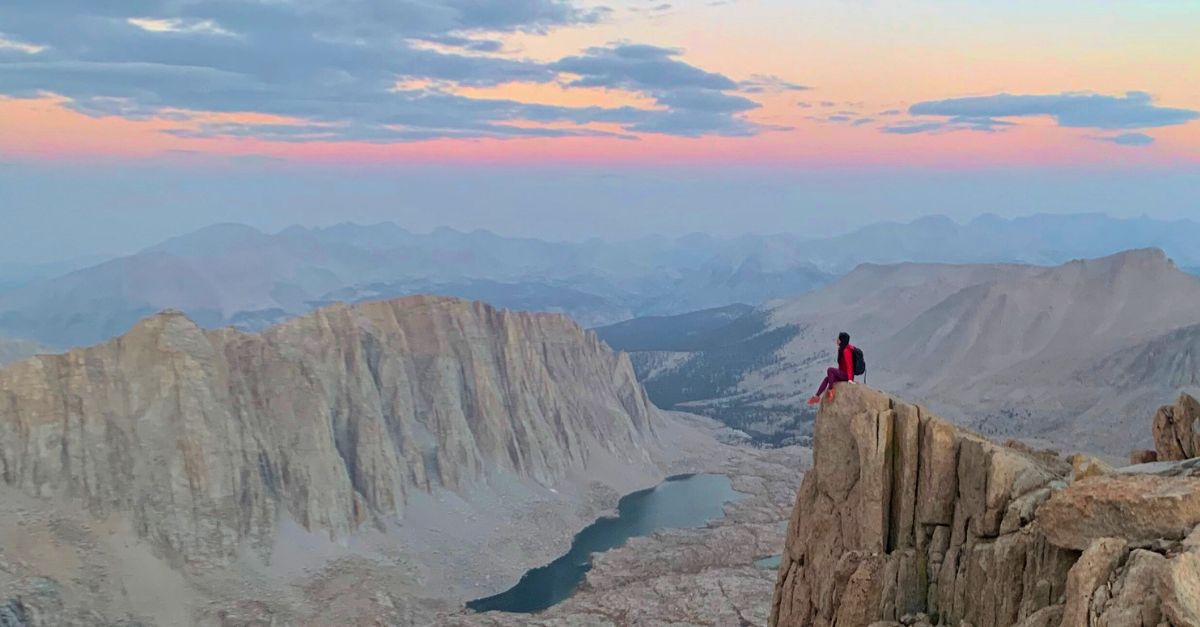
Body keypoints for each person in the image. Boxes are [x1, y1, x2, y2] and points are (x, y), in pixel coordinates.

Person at [808, 332, 855, 404]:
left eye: (838, 339)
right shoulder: (842, 349)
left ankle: (831, 390)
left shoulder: (846, 351)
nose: (837, 340)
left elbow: (849, 365)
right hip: (842, 373)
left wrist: (850, 379)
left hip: (846, 375)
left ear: (842, 340)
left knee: (830, 370)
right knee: (827, 378)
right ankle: (817, 396)